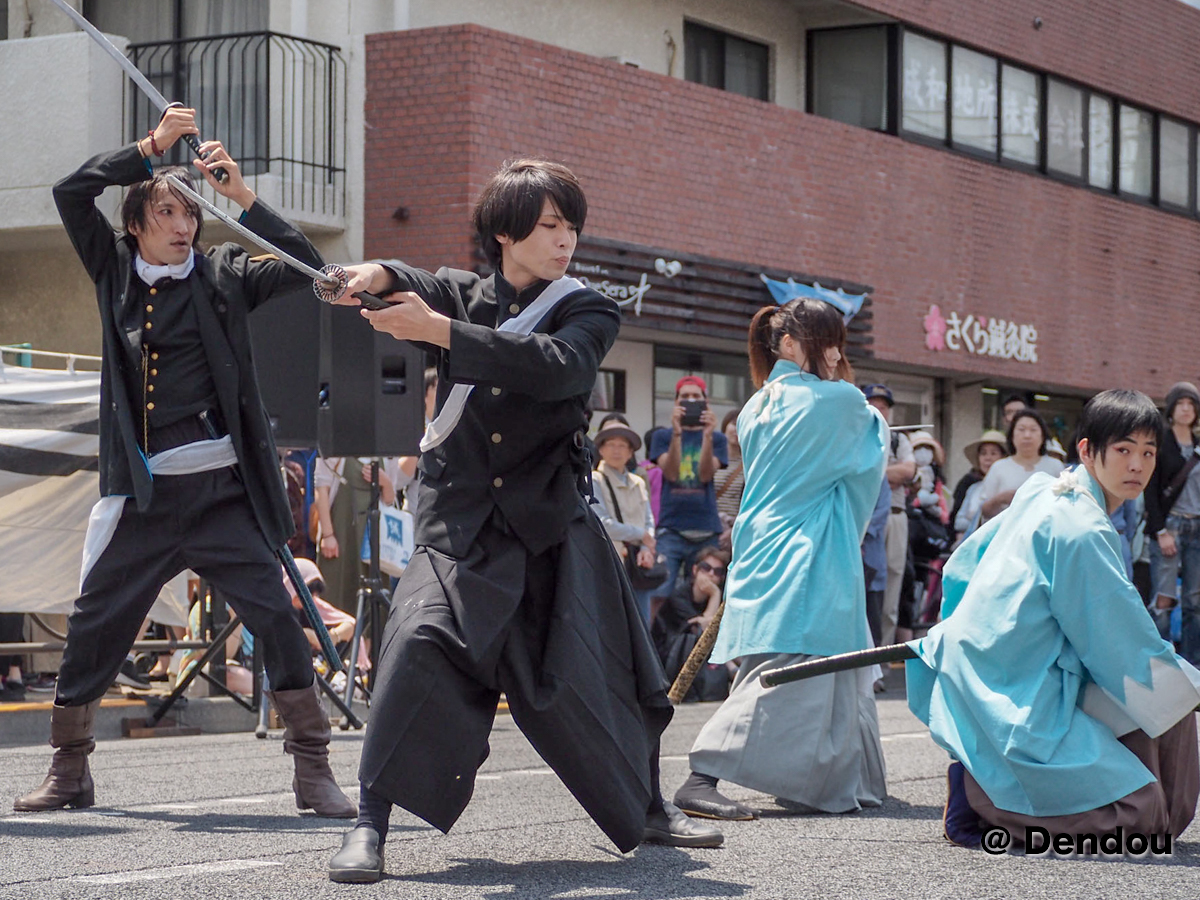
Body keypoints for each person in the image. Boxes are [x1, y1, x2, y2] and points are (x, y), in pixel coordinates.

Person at [325, 159, 720, 883]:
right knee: (414, 645)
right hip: (459, 524)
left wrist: (440, 331)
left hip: (550, 523)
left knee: (604, 669)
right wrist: (370, 274)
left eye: (572, 226)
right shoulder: (462, 292)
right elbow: (398, 274)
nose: (565, 239)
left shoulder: (588, 308)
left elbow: (559, 366)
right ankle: (368, 825)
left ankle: (652, 807)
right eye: (549, 226)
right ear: (505, 233)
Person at [13, 108, 355, 818]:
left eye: (191, 213)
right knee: (93, 623)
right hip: (144, 497)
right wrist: (152, 148)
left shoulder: (225, 273)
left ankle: (313, 770)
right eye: (167, 211)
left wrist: (240, 197)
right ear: (136, 221)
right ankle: (69, 771)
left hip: (222, 492)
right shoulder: (112, 272)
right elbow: (71, 192)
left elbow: (308, 266)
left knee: (276, 617)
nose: (183, 225)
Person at [909, 389, 1200, 849]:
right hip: (1017, 689)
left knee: (1163, 698)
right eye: (1123, 450)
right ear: (1087, 450)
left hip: (993, 665)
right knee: (1144, 811)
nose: (1137, 466)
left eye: (1147, 453)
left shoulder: (1044, 487)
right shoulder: (1079, 528)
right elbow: (1119, 645)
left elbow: (963, 565)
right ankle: (980, 796)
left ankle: (993, 780)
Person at [673, 297, 889, 821]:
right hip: (809, 544)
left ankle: (820, 784)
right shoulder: (837, 401)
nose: (836, 353)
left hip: (761, 539)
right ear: (791, 344)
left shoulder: (757, 404)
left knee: (798, 661)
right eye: (828, 341)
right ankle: (702, 774)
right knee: (793, 666)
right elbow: (870, 445)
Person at [647, 377, 728, 603]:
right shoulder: (662, 436)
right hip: (671, 528)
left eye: (696, 397)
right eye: (685, 397)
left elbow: (705, 475)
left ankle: (695, 639)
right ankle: (653, 639)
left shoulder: (717, 439)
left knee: (704, 594)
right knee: (658, 593)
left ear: (706, 402)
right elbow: (671, 473)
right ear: (676, 402)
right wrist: (677, 433)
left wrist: (708, 434)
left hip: (706, 529)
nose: (691, 401)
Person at [1145, 381, 1200, 665]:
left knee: (1195, 602)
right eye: (1181, 403)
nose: (1186, 409)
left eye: (1191, 405)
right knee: (1163, 601)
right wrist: (1160, 530)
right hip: (1170, 527)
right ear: (1171, 408)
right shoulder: (1161, 442)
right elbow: (1151, 489)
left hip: (1197, 529)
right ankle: (1162, 665)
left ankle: (1193, 665)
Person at [313, 455, 406, 614]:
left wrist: (385, 482)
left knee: (374, 602)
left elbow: (390, 500)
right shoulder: (337, 447)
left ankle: (370, 639)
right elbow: (321, 488)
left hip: (375, 540)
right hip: (341, 534)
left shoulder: (386, 452)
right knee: (337, 594)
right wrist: (328, 535)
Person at [590, 419, 658, 623]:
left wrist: (647, 548)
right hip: (609, 561)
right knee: (612, 621)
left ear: (630, 453)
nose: (616, 450)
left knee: (642, 622)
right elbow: (601, 522)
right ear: (601, 449)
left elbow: (648, 519)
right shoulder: (594, 480)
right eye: (610, 444)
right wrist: (641, 536)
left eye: (622, 446)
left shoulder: (638, 482)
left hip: (638, 563)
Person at [863, 384, 915, 647]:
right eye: (873, 404)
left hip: (894, 516)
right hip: (862, 522)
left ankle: (881, 657)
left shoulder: (899, 439)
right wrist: (886, 473)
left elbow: (908, 471)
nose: (878, 410)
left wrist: (879, 473)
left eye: (883, 406)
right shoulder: (857, 435)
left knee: (891, 584)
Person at [653, 547, 731, 702]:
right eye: (706, 568)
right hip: (670, 654)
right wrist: (714, 594)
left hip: (697, 655)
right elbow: (706, 633)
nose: (711, 574)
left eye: (717, 571)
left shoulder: (724, 596)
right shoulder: (679, 596)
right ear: (695, 570)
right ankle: (733, 670)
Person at [978, 409, 1063, 522]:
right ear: (1012, 435)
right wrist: (1000, 499)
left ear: (1042, 436)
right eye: (1021, 430)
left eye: (1033, 430)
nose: (1027, 435)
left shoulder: (1055, 466)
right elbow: (983, 510)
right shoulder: (999, 467)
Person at [949, 429, 1007, 540]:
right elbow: (958, 522)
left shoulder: (1008, 488)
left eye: (993, 453)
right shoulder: (973, 489)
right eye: (983, 453)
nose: (987, 458)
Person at [713, 408, 745, 551]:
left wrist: (733, 532)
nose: (736, 429)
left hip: (735, 529)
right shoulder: (712, 459)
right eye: (733, 424)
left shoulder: (750, 465)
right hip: (709, 527)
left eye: (741, 424)